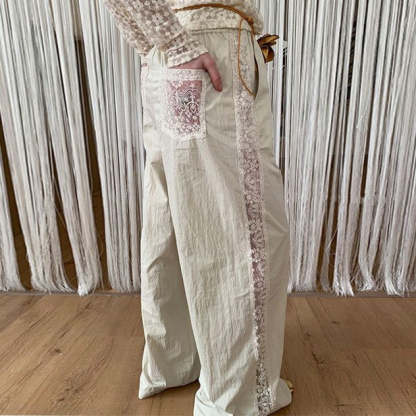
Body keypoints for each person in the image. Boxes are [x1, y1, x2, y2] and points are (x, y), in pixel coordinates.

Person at [102, 1, 293, 415]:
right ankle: (237, 395)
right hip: (209, 56)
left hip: (173, 59)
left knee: (175, 214)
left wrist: (157, 44)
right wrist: (174, 43)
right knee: (239, 226)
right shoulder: (187, 44)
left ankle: (178, 360)